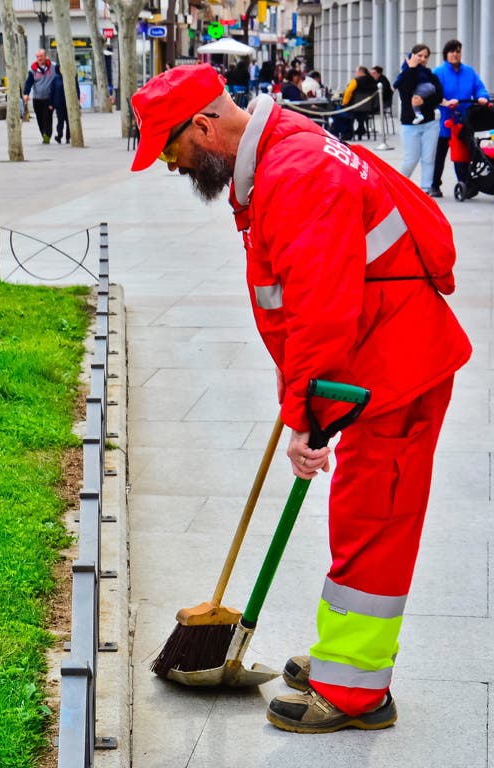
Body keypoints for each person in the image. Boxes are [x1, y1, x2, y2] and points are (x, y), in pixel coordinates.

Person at [130, 63, 470, 734]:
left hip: (396, 365)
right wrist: (303, 396)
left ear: (201, 126)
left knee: (372, 521)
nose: (170, 166)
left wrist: (307, 419)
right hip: (379, 357)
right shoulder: (284, 148)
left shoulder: (297, 173)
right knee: (362, 515)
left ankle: (354, 694)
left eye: (169, 149)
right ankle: (343, 662)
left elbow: (321, 309)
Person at [431, 39, 490, 197]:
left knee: (466, 153)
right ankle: (435, 185)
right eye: (452, 51)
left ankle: (466, 182)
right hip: (445, 121)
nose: (455, 54)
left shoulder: (469, 72)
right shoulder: (438, 72)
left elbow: (479, 87)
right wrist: (445, 103)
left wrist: (482, 97)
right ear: (446, 54)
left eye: (458, 51)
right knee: (440, 155)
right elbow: (434, 95)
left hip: (466, 120)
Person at [393, 44, 443, 195]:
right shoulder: (404, 75)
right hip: (410, 124)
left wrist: (424, 102)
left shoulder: (431, 76)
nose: (422, 59)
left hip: (430, 123)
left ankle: (426, 190)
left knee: (429, 158)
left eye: (425, 56)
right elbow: (406, 93)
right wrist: (412, 69)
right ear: (412, 56)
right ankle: (397, 186)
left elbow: (438, 96)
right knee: (411, 159)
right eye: (419, 55)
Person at [23, 48, 57, 144]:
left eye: (41, 56)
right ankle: (43, 133)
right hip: (37, 98)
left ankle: (47, 135)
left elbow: (60, 75)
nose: (39, 58)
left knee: (47, 117)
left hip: (49, 98)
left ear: (46, 56)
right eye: (38, 57)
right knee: (39, 118)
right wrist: (26, 93)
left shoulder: (53, 67)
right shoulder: (32, 70)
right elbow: (29, 82)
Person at [342, 66, 379, 140]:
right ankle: (361, 128)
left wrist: (344, 103)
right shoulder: (373, 81)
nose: (356, 73)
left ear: (361, 72)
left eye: (356, 72)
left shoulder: (355, 81)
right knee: (361, 113)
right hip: (369, 108)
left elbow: (348, 92)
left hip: (355, 107)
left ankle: (347, 132)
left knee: (340, 111)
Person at [51, 63, 79, 144]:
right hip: (59, 104)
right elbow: (52, 91)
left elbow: (77, 88)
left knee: (69, 121)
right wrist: (51, 103)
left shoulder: (72, 77)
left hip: (70, 103)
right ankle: (59, 136)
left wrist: (78, 99)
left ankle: (68, 137)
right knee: (60, 121)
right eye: (61, 68)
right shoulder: (56, 79)